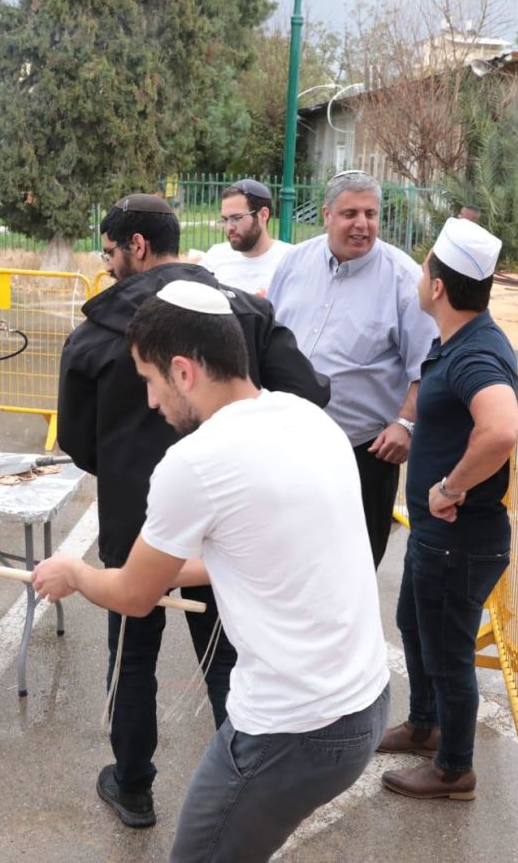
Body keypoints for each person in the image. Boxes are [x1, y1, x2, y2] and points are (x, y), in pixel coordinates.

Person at [35, 281, 389, 862]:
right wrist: (167, 572)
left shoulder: (195, 461)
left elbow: (133, 597)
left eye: (149, 381)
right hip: (365, 703)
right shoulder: (307, 418)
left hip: (291, 731)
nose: (150, 401)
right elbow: (260, 554)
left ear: (183, 371)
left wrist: (74, 572)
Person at [56, 194, 328, 829]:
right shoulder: (243, 314)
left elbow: (76, 442)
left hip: (136, 521)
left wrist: (126, 471)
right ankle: (252, 783)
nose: (107, 263)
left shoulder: (95, 332)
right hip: (228, 519)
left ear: (137, 246)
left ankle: (132, 785)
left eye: (110, 250)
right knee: (226, 656)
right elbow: (307, 394)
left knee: (132, 656)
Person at [377, 217, 518, 801]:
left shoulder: (474, 353)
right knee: (416, 626)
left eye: (424, 269)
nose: (419, 277)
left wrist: (451, 487)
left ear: (438, 286)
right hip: (435, 539)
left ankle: (454, 769)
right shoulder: (461, 339)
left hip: (457, 541)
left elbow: (501, 429)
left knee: (448, 652)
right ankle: (425, 725)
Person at [267, 169, 439, 570]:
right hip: (285, 447)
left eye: (370, 214)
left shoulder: (403, 279)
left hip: (361, 454)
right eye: (350, 214)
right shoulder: (294, 263)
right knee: (284, 561)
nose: (362, 224)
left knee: (352, 567)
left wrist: (406, 424)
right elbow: (267, 337)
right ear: (327, 214)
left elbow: (427, 366)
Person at [197, 178, 291, 296]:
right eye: (225, 219)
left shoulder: (290, 260)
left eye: (237, 218)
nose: (229, 227)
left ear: (263, 215)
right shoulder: (216, 256)